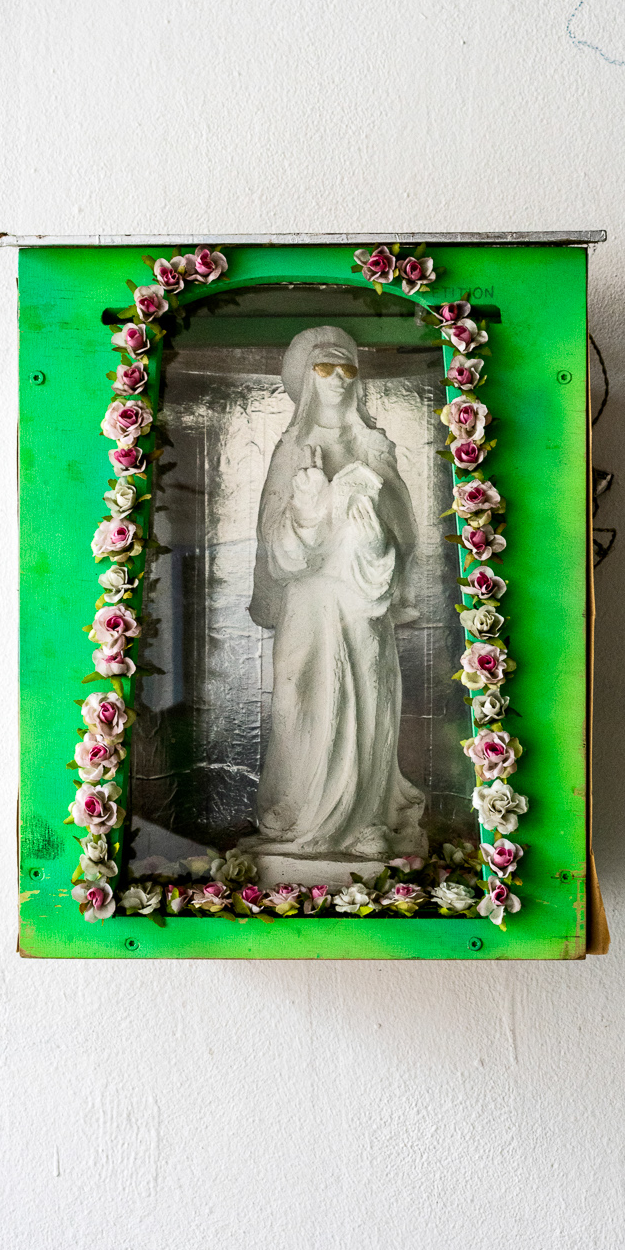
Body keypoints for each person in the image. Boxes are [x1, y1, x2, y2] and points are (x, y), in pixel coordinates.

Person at [248, 324, 425, 864]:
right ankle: (299, 812)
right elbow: (274, 548)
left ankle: (366, 818)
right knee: (301, 697)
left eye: (347, 368)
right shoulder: (292, 449)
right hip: (308, 602)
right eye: (324, 367)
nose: (338, 378)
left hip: (362, 600)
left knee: (366, 696)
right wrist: (306, 514)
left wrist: (374, 534)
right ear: (307, 378)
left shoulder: (374, 446)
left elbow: (405, 533)